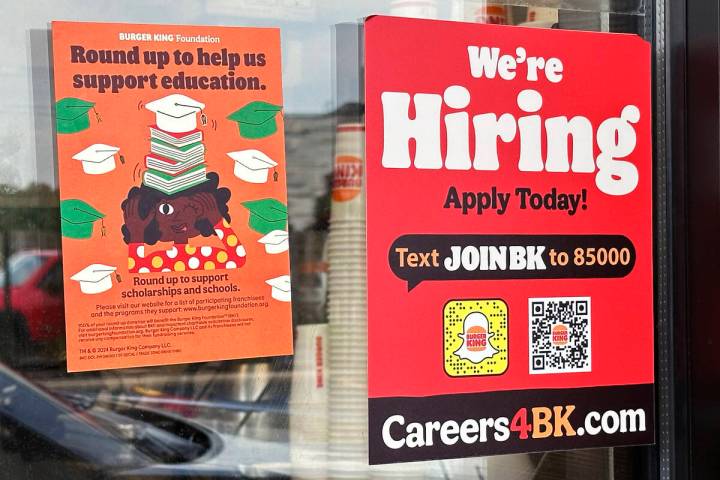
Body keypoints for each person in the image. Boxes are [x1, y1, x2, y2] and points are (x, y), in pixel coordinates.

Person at [121, 172, 246, 273]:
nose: (178, 217)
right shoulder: (159, 260)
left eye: (191, 207)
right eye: (166, 209)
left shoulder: (205, 257)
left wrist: (215, 218)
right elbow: (136, 269)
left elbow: (239, 259)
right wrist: (137, 232)